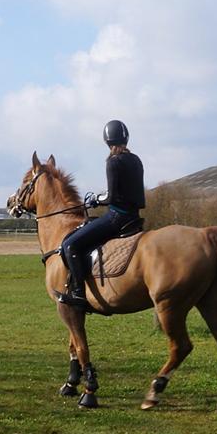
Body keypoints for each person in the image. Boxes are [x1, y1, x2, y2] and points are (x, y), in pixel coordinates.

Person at [59, 120, 146, 308]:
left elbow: (112, 196)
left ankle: (78, 294)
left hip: (117, 217)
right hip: (134, 217)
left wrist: (96, 200)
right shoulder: (136, 159)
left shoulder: (113, 162)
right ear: (126, 138)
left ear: (107, 141)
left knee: (70, 244)